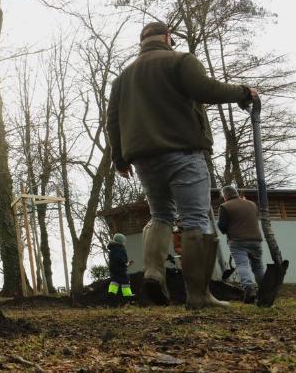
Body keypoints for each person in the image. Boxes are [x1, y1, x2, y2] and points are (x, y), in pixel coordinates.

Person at [106, 21, 257, 309]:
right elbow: (205, 89)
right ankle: (198, 295)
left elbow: (112, 120)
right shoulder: (180, 60)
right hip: (183, 152)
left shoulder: (122, 78)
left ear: (142, 41)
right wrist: (242, 92)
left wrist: (119, 159)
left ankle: (153, 272)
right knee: (196, 219)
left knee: (161, 214)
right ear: (167, 37)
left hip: (143, 158)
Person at [217, 185, 264, 303]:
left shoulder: (225, 206)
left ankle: (249, 289)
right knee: (258, 266)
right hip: (256, 240)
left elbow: (222, 226)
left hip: (237, 241)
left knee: (242, 265)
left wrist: (226, 231)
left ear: (225, 195)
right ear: (236, 193)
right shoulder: (252, 204)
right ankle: (265, 290)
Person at [107, 233, 135, 300]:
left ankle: (112, 292)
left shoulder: (112, 249)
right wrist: (125, 263)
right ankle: (127, 294)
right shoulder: (119, 248)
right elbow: (119, 258)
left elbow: (115, 259)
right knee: (125, 280)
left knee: (115, 280)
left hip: (113, 269)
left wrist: (126, 263)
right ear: (121, 241)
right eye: (124, 241)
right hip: (120, 268)